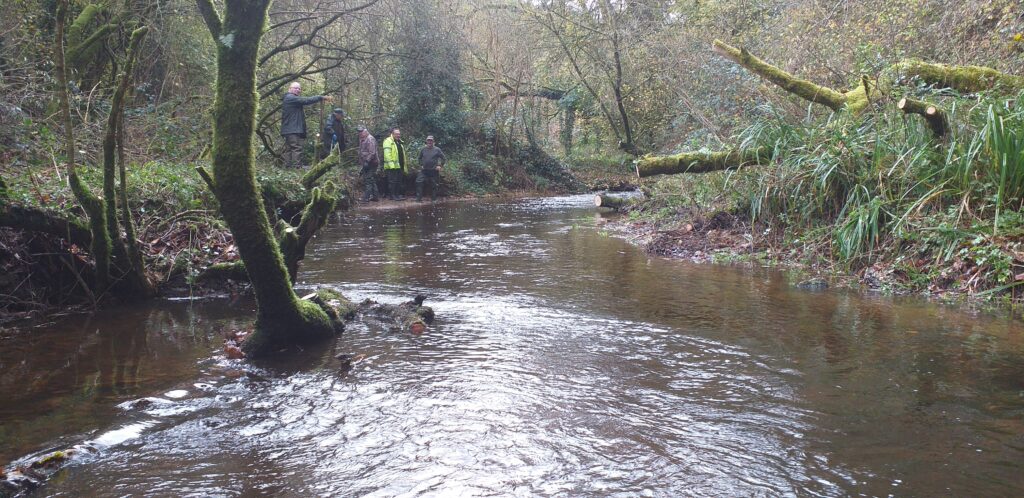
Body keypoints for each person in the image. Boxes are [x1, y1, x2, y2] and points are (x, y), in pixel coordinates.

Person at [280, 82, 331, 168]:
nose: (298, 90)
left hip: (289, 129)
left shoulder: (291, 99)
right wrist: (320, 97)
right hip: (292, 129)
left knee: (289, 149)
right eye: (296, 88)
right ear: (290, 88)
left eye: (299, 88)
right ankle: (297, 167)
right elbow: (306, 100)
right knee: (296, 148)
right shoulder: (290, 98)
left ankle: (287, 167)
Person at [416, 135, 446, 202]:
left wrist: (440, 165)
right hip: (424, 170)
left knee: (434, 185)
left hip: (434, 171)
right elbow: (419, 158)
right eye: (428, 140)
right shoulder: (423, 149)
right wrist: (421, 165)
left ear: (433, 142)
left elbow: (443, 158)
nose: (429, 142)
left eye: (431, 140)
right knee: (418, 182)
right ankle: (418, 199)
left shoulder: (437, 149)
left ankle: (434, 199)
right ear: (426, 141)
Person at [381, 127, 407, 200]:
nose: (398, 135)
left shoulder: (399, 142)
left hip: (399, 166)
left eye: (399, 134)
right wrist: (392, 165)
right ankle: (392, 196)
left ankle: (397, 195)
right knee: (392, 182)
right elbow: (387, 155)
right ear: (392, 134)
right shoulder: (388, 141)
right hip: (391, 167)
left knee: (398, 181)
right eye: (396, 134)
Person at [357, 126, 381, 202]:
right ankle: (376, 197)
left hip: (372, 163)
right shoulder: (361, 139)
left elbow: (372, 152)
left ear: (366, 132)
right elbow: (361, 151)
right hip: (366, 163)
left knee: (368, 179)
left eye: (361, 132)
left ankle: (366, 198)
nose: (359, 133)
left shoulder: (370, 139)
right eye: (359, 132)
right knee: (371, 179)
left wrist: (367, 161)